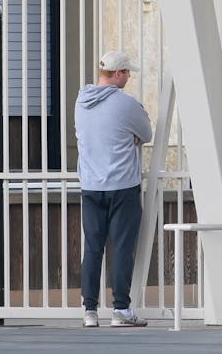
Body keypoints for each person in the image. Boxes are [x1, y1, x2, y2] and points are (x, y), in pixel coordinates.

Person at [75, 49, 154, 328]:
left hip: (91, 186)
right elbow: (147, 133)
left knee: (93, 247)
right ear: (118, 73)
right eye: (127, 72)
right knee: (122, 247)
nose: (129, 77)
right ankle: (121, 309)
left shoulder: (81, 101)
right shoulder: (126, 104)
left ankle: (90, 311)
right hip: (123, 185)